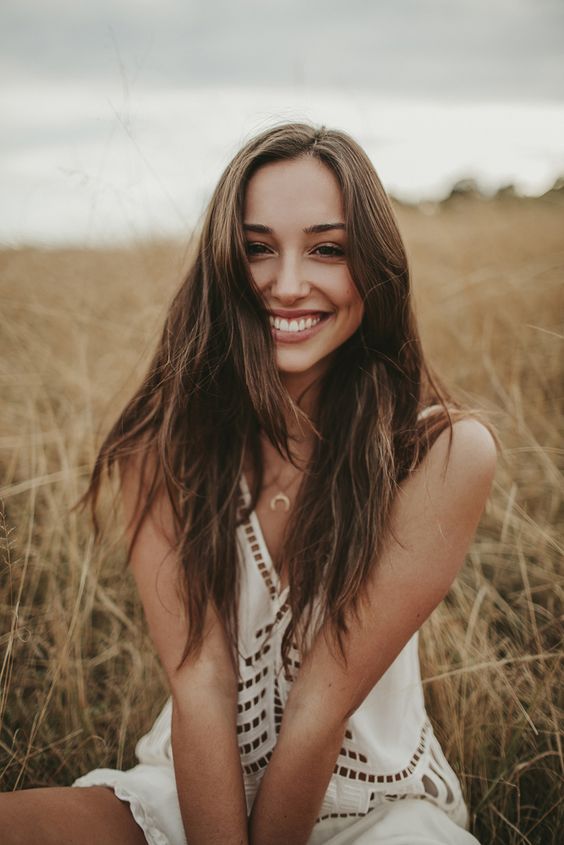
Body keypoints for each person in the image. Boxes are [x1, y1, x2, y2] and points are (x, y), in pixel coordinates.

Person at [0, 123, 497, 845]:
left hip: (374, 811)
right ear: (223, 264)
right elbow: (200, 685)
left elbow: (318, 710)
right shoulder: (163, 448)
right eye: (257, 247)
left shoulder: (441, 453)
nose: (287, 282)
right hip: (192, 789)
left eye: (327, 248)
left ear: (374, 267)